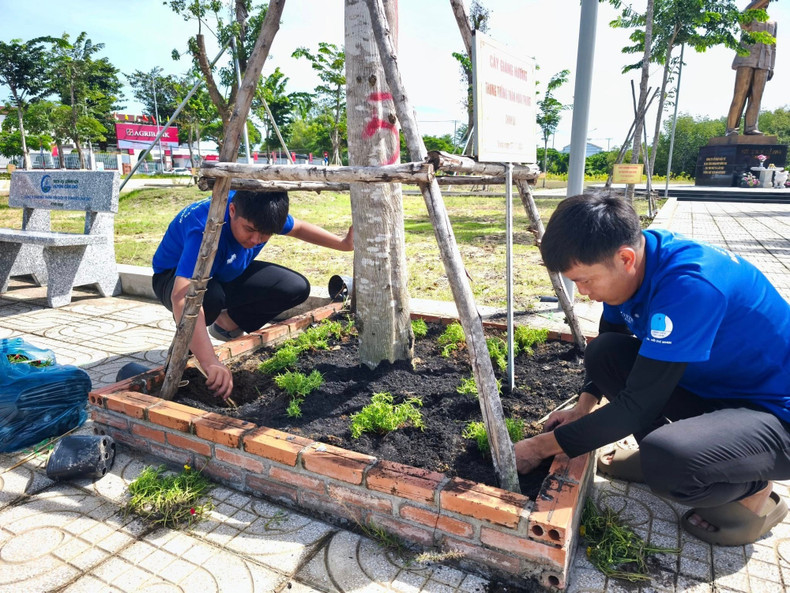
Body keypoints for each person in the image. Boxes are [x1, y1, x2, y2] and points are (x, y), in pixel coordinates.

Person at [514, 192, 790, 546]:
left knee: (671, 461)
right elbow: (612, 338)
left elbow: (639, 404)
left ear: (625, 258)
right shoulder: (639, 265)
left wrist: (540, 447)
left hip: (776, 414)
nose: (582, 292)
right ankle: (671, 454)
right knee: (605, 353)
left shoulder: (690, 286)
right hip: (721, 388)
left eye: (585, 280)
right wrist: (582, 407)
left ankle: (755, 490)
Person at [152, 190, 353, 400]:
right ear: (232, 211)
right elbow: (183, 297)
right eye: (249, 230)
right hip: (173, 276)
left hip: (224, 271)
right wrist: (210, 361)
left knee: (294, 287)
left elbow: (299, 228)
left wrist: (344, 244)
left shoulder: (264, 212)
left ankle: (226, 324)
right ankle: (185, 348)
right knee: (208, 300)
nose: (256, 240)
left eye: (265, 234)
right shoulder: (204, 228)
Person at [726, 0, 777, 136]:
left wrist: (771, 66)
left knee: (756, 97)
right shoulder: (748, 16)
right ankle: (731, 128)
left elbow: (773, 46)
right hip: (746, 59)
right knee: (740, 94)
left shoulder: (773, 22)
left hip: (764, 63)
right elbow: (742, 20)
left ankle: (751, 127)